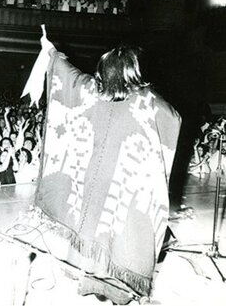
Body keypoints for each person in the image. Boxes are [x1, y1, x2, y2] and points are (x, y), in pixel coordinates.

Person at [24, 27, 182, 303]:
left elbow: (69, 75)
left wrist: (50, 50)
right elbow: (173, 118)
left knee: (91, 225)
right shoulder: (149, 103)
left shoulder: (91, 93)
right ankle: (114, 288)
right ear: (134, 72)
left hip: (92, 180)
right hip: (125, 181)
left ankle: (92, 281)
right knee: (121, 233)